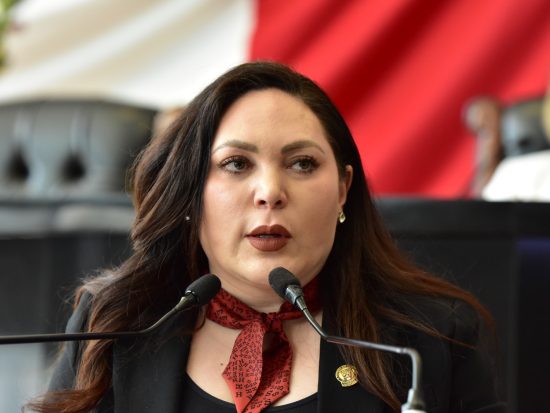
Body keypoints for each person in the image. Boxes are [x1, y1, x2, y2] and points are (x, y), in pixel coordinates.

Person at [27, 61, 505, 413]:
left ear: (343, 190)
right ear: (191, 191)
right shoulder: (115, 326)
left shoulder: (429, 338)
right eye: (236, 164)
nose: (270, 192)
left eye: (302, 164)